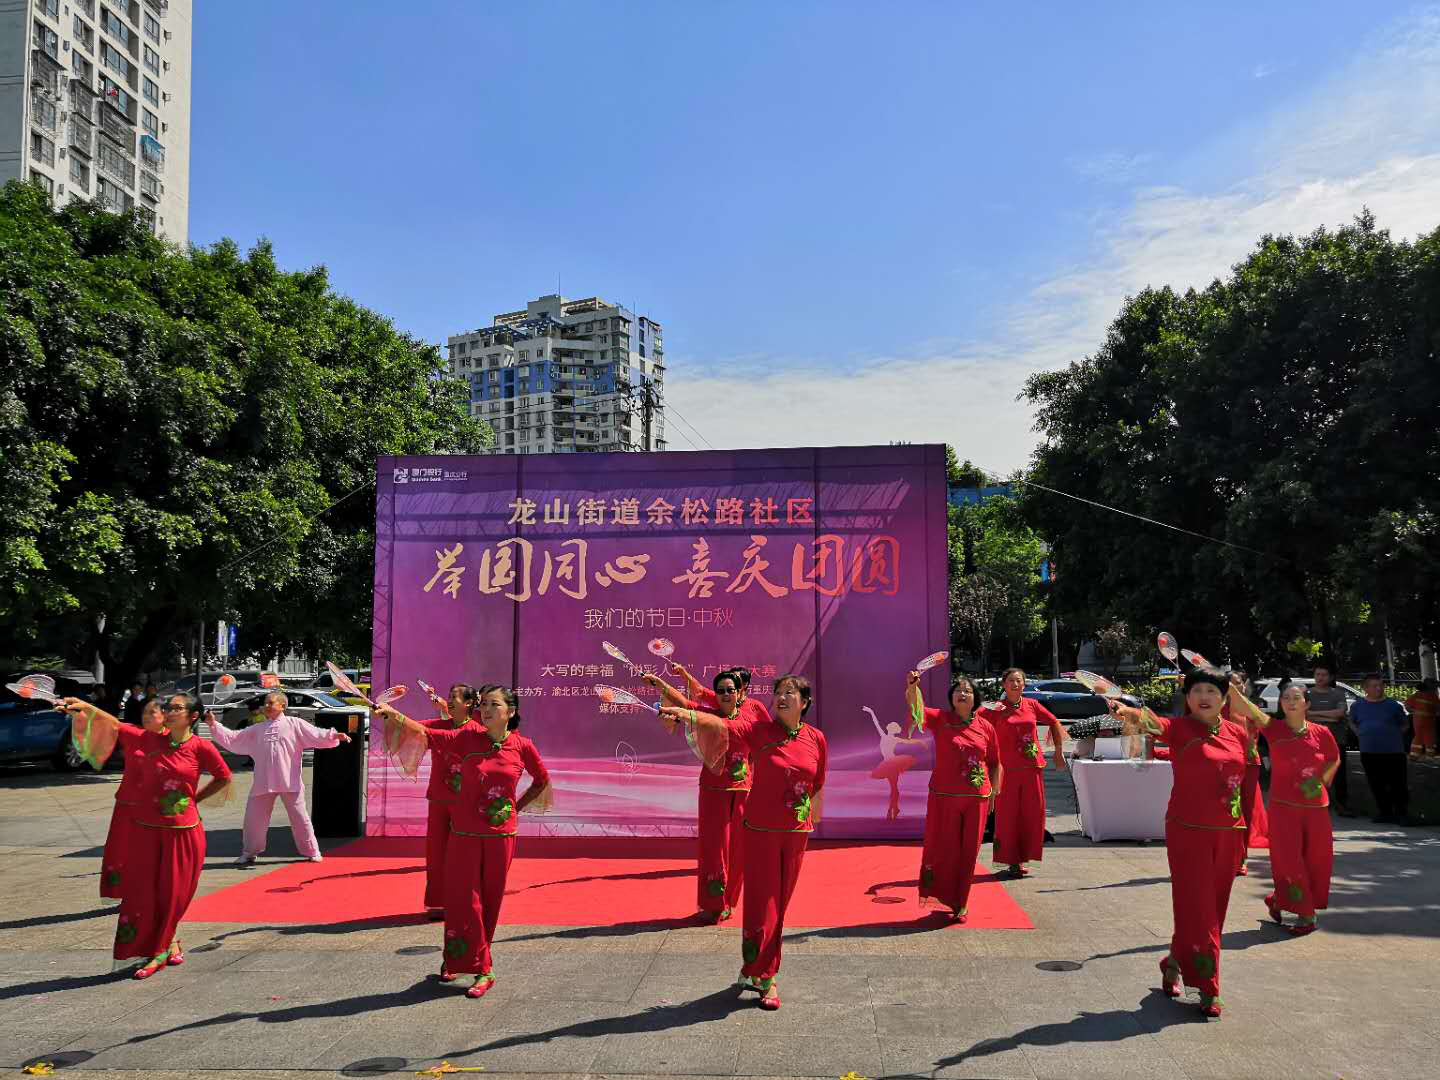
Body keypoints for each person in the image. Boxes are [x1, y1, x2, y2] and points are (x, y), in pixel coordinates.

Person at [660, 674, 826, 1011]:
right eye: (778, 693)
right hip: (761, 833)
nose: (781, 698)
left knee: (781, 907)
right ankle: (766, 976)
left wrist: (812, 822)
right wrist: (684, 714)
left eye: (789, 693)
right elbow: (718, 723)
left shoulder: (816, 738)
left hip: (795, 835)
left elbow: (819, 783)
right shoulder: (759, 731)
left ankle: (753, 970)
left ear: (805, 702)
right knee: (763, 905)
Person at [376, 686, 552, 999]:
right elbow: (423, 733)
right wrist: (394, 715)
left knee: (489, 902)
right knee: (461, 900)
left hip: (500, 837)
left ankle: (477, 966)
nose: (485, 710)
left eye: (493, 704)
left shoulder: (522, 746)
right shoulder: (466, 738)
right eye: (482, 704)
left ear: (510, 711)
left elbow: (542, 780)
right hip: (463, 835)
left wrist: (516, 807)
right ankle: (470, 962)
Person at [1110, 666, 1251, 1019]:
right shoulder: (1179, 728)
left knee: (1212, 910)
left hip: (1229, 831)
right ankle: (1208, 986)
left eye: (1212, 691)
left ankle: (1173, 962)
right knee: (1197, 905)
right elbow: (1150, 722)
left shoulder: (1238, 733)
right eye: (1197, 691)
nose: (1205, 697)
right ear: (1187, 698)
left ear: (1223, 699)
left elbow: (1243, 783)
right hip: (1188, 830)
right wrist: (1125, 710)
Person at [61, 693, 231, 978]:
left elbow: (224, 776)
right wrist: (85, 707)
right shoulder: (150, 740)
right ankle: (158, 949)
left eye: (177, 708)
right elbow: (113, 725)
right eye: (169, 707)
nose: (169, 711)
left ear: (193, 716)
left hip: (183, 833)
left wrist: (194, 799)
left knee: (173, 895)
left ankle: (161, 949)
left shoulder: (201, 747)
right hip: (147, 830)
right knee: (142, 893)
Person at [643, 668, 756, 923]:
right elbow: (685, 704)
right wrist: (660, 685)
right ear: (716, 695)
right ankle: (714, 903)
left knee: (739, 850)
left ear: (739, 693)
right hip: (713, 790)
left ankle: (730, 900)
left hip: (743, 791)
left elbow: (761, 743)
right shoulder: (709, 714)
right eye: (721, 691)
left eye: (730, 690)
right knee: (714, 849)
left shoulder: (751, 715)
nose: (726, 694)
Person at [206, 690, 351, 867]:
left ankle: (312, 851)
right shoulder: (257, 729)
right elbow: (233, 738)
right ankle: (249, 853)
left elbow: (316, 734)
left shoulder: (294, 724)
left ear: (283, 705)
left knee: (300, 818)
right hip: (263, 782)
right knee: (253, 820)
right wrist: (214, 725)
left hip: (289, 781)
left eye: (271, 702)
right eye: (266, 703)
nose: (266, 706)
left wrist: (333, 735)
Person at [905, 671, 1001, 921]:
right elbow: (917, 710)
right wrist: (913, 688)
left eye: (967, 690)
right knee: (945, 850)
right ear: (951, 697)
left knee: (969, 851)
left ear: (975, 698)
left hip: (976, 798)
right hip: (944, 797)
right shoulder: (940, 719)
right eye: (958, 690)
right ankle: (945, 896)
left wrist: (993, 793)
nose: (962, 693)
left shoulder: (986, 727)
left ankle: (962, 902)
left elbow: (994, 763)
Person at [1258, 683, 1340, 935]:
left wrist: (1321, 781)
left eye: (1296, 697)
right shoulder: (1273, 729)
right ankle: (1306, 914)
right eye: (1285, 698)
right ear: (1280, 703)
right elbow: (1248, 710)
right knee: (1289, 860)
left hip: (1316, 808)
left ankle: (1280, 899)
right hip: (1283, 808)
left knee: (1316, 860)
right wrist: (1225, 685)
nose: (1291, 701)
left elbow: (1333, 758)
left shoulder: (1322, 732)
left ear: (1307, 703)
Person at [976, 668, 1066, 877]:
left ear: (1024, 684)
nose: (1015, 684)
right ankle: (1012, 861)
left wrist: (1059, 752)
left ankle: (1024, 857)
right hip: (1006, 771)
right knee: (1008, 818)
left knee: (1032, 815)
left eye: (1018, 681)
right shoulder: (995, 708)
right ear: (1003, 685)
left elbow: (1053, 721)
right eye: (1010, 681)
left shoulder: (1032, 705)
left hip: (1032, 769)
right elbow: (971, 721)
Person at [418, 683, 479, 919]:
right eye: (449, 697)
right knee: (435, 854)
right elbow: (415, 728)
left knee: (464, 854)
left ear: (469, 704)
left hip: (466, 802)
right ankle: (437, 903)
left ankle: (465, 900)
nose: (450, 701)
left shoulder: (476, 731)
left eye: (455, 698)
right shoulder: (439, 725)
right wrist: (391, 715)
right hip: (439, 799)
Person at [99, 697, 166, 902]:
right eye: (144, 712)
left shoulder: (174, 740)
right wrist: (77, 707)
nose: (146, 716)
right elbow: (106, 720)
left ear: (165, 716)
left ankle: (153, 891)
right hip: (127, 804)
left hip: (156, 807)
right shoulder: (133, 734)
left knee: (151, 853)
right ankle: (123, 893)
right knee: (120, 851)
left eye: (151, 713)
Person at [1350, 673, 1411, 825]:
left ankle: (1402, 813)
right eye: (1374, 686)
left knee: (1398, 783)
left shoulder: (1394, 705)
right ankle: (1385, 812)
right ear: (1365, 688)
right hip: (1369, 750)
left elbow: (1405, 725)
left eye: (1380, 685)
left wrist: (1392, 735)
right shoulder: (1357, 706)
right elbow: (1352, 722)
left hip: (1393, 751)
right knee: (1376, 783)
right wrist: (1360, 733)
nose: (1378, 688)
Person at [1230, 670, 1268, 877]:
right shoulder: (1217, 707)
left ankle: (1241, 858)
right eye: (1229, 683)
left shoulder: (1251, 708)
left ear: (1244, 685)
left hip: (1249, 764)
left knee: (1244, 811)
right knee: (1227, 812)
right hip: (1225, 765)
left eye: (1237, 683)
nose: (1234, 687)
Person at [865, 706, 926, 820]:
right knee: (893, 787)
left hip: (892, 763)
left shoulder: (893, 738)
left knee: (893, 787)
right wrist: (871, 712)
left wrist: (919, 741)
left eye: (892, 727)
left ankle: (892, 808)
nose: (889, 728)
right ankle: (894, 808)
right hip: (887, 764)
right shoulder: (884, 736)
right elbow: (876, 723)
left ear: (892, 729)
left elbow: (908, 742)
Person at [1308, 666, 1351, 814]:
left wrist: (1316, 715)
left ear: (1330, 677)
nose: (1320, 677)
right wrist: (1329, 716)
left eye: (1324, 674)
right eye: (1317, 674)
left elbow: (1339, 714)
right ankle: (1316, 803)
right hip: (1313, 742)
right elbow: (1305, 715)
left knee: (1339, 774)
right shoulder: (1307, 694)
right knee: (1313, 773)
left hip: (1336, 740)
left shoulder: (1338, 694)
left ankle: (1341, 804)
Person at [1404, 678, 1438, 758]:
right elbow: (1438, 708)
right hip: (1429, 721)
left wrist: (1415, 712)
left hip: (1418, 720)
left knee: (1418, 736)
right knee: (1429, 737)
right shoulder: (1433, 696)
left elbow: (1407, 705)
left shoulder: (1417, 694)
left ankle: (1414, 755)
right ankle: (1430, 756)